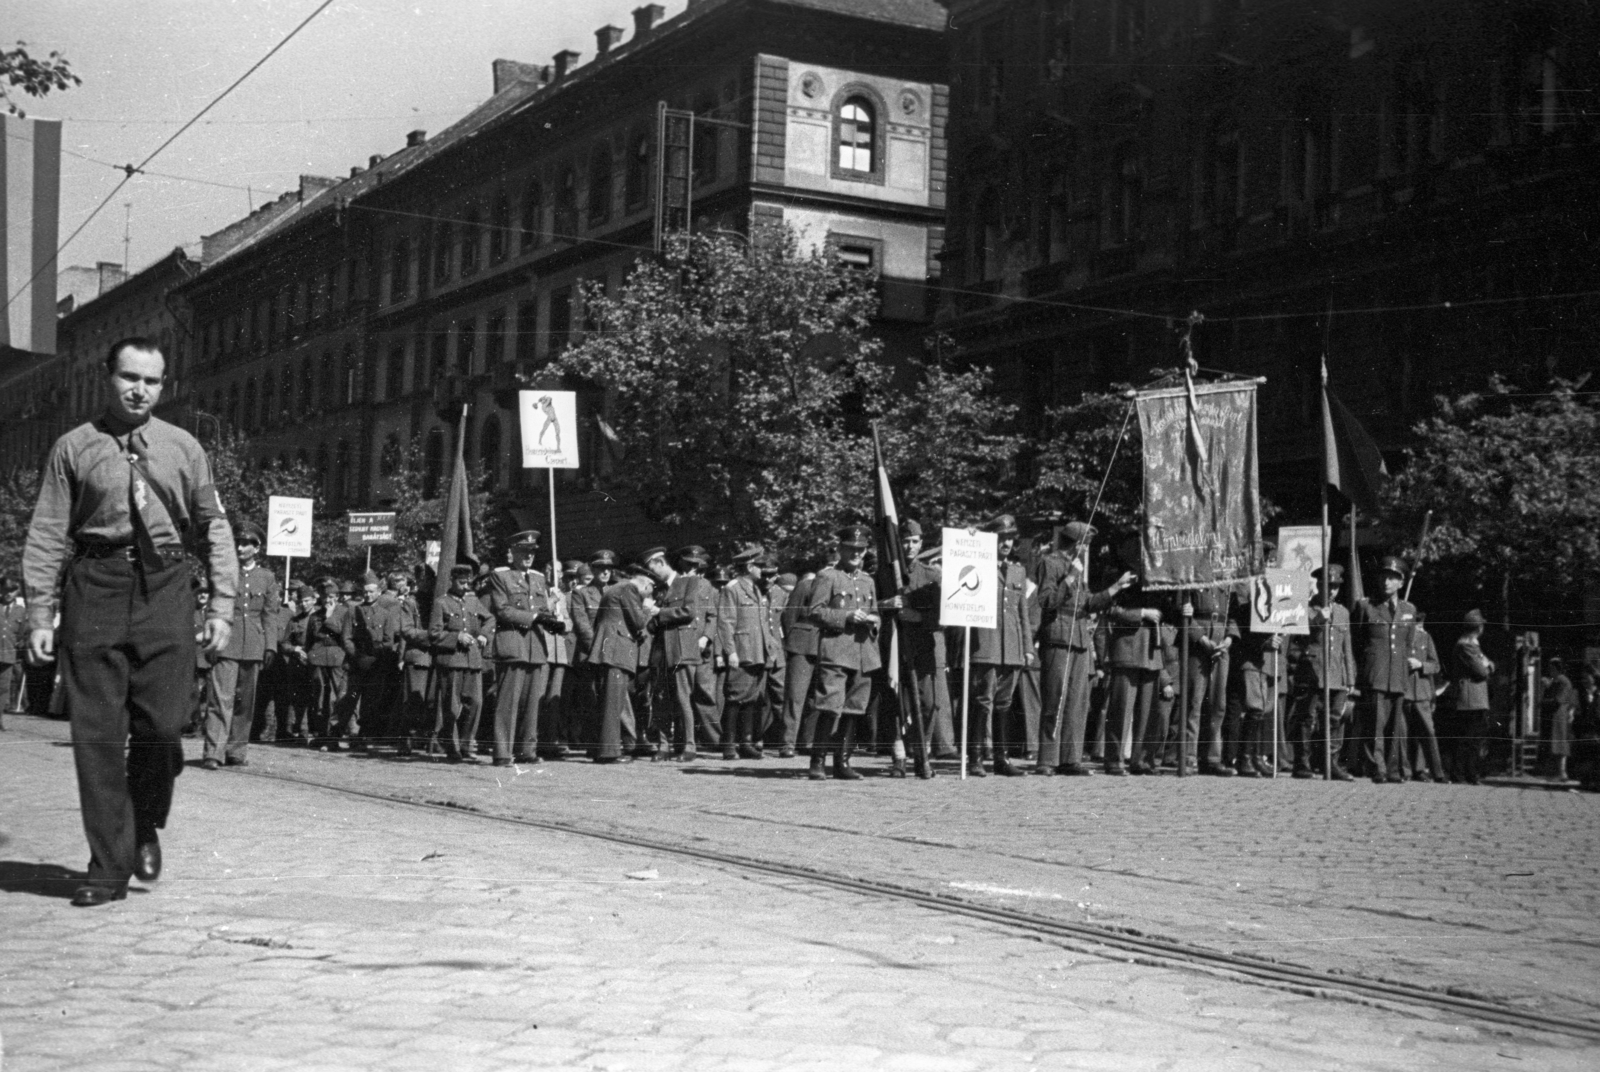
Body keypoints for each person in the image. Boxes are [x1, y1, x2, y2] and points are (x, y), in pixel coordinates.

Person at [22, 336, 237, 906]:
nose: (140, 390)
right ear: (107, 377)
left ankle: (144, 819)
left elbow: (214, 526)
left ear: (164, 385)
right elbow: (46, 531)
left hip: (166, 587)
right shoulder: (74, 448)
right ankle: (107, 866)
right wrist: (40, 612)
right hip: (95, 584)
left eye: (152, 380)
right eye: (129, 377)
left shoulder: (184, 448)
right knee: (96, 735)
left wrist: (222, 604)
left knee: (164, 726)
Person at [1033, 522, 1133, 775]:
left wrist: (1115, 588)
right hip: (1058, 638)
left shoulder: (1077, 568)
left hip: (1079, 640)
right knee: (1055, 698)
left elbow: (1087, 604)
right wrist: (1069, 579)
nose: (1087, 550)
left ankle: (1069, 758)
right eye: (1085, 545)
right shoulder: (1051, 563)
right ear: (1076, 544)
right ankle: (1047, 759)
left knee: (1078, 702)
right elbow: (1046, 601)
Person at [805, 524, 882, 781]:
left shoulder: (867, 580)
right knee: (829, 707)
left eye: (861, 550)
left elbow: (875, 612)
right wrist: (847, 616)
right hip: (836, 651)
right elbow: (814, 611)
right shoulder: (828, 577)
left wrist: (874, 620)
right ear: (840, 549)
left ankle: (843, 762)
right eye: (851, 549)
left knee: (853, 709)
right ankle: (817, 761)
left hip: (863, 653)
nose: (856, 554)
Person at [204, 523, 279, 769]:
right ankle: (214, 752)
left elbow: (270, 614)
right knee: (220, 698)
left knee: (246, 702)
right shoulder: (225, 571)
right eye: (237, 542)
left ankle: (236, 751)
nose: (240, 548)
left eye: (246, 543)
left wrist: (270, 646)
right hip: (226, 642)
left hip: (253, 645)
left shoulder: (267, 577)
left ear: (256, 548)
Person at [485, 531, 562, 766]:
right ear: (513, 553)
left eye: (532, 552)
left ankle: (527, 750)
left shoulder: (539, 579)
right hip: (513, 644)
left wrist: (552, 617)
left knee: (532, 702)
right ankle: (502, 752)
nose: (528, 556)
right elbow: (502, 610)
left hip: (535, 646)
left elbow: (540, 611)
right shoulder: (501, 577)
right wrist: (537, 617)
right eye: (524, 552)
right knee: (509, 701)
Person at [965, 515, 1031, 777]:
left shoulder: (1018, 571)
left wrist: (1027, 647)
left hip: (1012, 647)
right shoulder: (977, 567)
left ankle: (1002, 760)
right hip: (987, 644)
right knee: (983, 701)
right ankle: (975, 758)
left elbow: (1022, 612)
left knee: (1004, 703)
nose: (1006, 543)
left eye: (1009, 538)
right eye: (1001, 538)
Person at [1101, 535, 1165, 777]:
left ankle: (1141, 760)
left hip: (1151, 648)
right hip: (1127, 648)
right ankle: (1114, 760)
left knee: (1148, 713)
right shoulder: (1117, 575)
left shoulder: (1156, 576)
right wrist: (1142, 612)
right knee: (1121, 710)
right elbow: (1111, 610)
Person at [1353, 555, 1419, 783]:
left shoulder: (1409, 609)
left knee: (1395, 727)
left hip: (1398, 675)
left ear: (1401, 583)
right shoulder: (1366, 606)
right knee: (1375, 726)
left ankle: (1393, 769)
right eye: (1384, 577)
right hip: (1376, 673)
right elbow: (1357, 641)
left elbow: (1408, 643)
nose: (1387, 582)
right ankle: (1377, 768)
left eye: (1393, 578)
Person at [652, 545, 719, 760]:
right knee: (661, 699)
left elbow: (693, 612)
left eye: (695, 566)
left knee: (683, 698)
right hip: (662, 648)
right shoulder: (661, 588)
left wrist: (659, 612)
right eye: (688, 565)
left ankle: (690, 746)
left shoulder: (695, 584)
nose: (692, 570)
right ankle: (664, 746)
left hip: (684, 647)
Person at [1289, 564, 1356, 779]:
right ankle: (1302, 763)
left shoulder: (1343, 612)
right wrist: (1319, 619)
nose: (1333, 591)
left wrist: (1350, 676)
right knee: (1307, 718)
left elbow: (1347, 647)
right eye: (1329, 586)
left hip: (1336, 673)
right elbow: (1301, 634)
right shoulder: (1307, 608)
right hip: (1312, 671)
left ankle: (1331, 762)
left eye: (1336, 587)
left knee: (1335, 719)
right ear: (1319, 586)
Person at [589, 560, 655, 763]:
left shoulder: (616, 589)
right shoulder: (629, 589)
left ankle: (604, 748)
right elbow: (638, 621)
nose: (650, 595)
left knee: (609, 701)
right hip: (616, 651)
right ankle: (608, 752)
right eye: (650, 590)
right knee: (612, 703)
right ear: (645, 584)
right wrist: (647, 609)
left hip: (609, 649)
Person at [429, 563, 492, 762]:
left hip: (473, 660)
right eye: (461, 582)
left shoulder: (473, 602)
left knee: (475, 703)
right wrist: (456, 637)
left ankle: (466, 744)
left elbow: (490, 619)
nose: (465, 586)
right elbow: (434, 633)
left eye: (468, 583)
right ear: (452, 581)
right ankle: (452, 748)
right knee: (452, 707)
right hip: (452, 660)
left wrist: (483, 634)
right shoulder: (442, 603)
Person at [718, 541, 775, 760]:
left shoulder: (757, 589)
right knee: (735, 698)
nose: (764, 570)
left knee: (751, 699)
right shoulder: (733, 588)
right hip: (742, 651)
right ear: (750, 567)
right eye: (760, 565)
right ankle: (729, 744)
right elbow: (726, 622)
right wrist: (730, 651)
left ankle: (746, 742)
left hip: (757, 651)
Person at [780, 557, 824, 759]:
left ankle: (808, 741)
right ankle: (788, 743)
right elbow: (790, 615)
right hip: (802, 646)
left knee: (817, 698)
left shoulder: (833, 586)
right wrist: (792, 641)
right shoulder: (805, 585)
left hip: (825, 648)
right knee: (795, 697)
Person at [1448, 609, 1494, 784]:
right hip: (1471, 698)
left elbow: (1488, 664)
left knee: (1471, 738)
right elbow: (1482, 671)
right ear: (1478, 627)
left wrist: (1487, 663)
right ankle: (1466, 774)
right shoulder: (1467, 646)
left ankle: (1466, 773)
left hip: (1474, 698)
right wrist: (1487, 664)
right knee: (1469, 739)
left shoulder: (1472, 646)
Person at [306, 578, 351, 750]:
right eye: (325, 597)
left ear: (338, 597)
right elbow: (309, 640)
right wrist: (310, 655)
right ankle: (321, 734)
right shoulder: (314, 616)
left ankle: (333, 736)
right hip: (318, 659)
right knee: (319, 699)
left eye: (332, 596)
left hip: (337, 659)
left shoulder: (345, 612)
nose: (328, 600)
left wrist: (329, 617)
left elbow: (344, 634)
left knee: (336, 698)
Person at [1403, 613, 1446, 782]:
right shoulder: (1401, 637)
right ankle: (1405, 770)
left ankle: (1435, 772)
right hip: (1405, 691)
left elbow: (1435, 665)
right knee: (1403, 733)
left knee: (1428, 732)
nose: (1418, 629)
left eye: (1419, 625)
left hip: (1421, 692)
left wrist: (1420, 665)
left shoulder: (1426, 638)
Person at [1542, 655, 1576, 782]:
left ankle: (1562, 772)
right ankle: (1559, 772)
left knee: (1560, 743)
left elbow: (1558, 699)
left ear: (1557, 668)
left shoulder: (1562, 680)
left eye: (1551, 668)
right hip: (1558, 715)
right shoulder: (1557, 680)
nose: (1549, 671)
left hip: (1560, 714)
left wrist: (1543, 701)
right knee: (1558, 742)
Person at [0, 575, 26, 731]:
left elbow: (21, 634)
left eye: (13, 590)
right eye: (6, 589)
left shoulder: (20, 611)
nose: (9, 593)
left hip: (8, 656)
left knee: (3, 689)